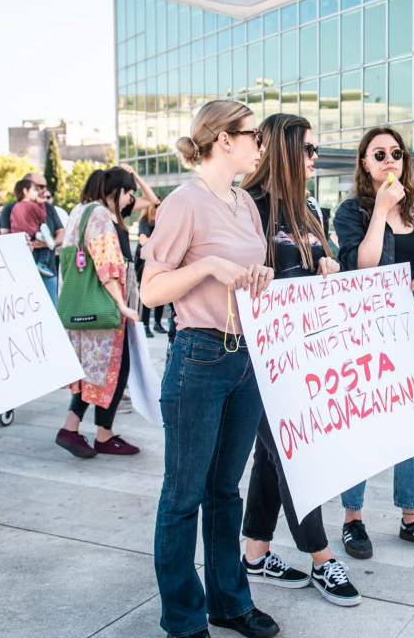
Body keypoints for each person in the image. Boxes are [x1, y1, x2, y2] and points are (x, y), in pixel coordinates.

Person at [140, 100, 280, 638]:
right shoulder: (183, 202)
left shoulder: (244, 202)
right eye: (254, 137)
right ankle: (182, 618)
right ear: (224, 140)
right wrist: (207, 267)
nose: (260, 146)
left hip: (247, 356)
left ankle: (229, 602)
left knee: (226, 489)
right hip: (199, 355)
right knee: (184, 494)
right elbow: (151, 289)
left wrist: (256, 272)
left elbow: (239, 268)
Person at [237, 113, 360, 607]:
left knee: (273, 453)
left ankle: (254, 552)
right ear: (286, 152)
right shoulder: (248, 206)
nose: (315, 158)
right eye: (309, 149)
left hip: (304, 354)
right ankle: (322, 558)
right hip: (257, 358)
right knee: (294, 454)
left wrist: (327, 263)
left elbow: (313, 266)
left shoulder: (308, 208)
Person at [333, 126, 414, 562]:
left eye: (396, 153)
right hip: (369, 331)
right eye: (378, 153)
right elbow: (357, 266)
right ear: (364, 162)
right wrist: (382, 209)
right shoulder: (352, 211)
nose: (389, 160)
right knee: (363, 424)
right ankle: (352, 519)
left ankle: (411, 517)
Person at [54, 166, 153, 459]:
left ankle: (75, 429)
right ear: (117, 191)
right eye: (128, 194)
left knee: (92, 372)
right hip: (102, 307)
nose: (128, 201)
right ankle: (101, 434)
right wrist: (122, 305)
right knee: (115, 369)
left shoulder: (78, 210)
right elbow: (106, 265)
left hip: (80, 306)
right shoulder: (98, 215)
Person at [1, 171, 65, 305]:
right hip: (21, 272)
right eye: (39, 187)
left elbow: (61, 234)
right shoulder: (9, 208)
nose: (43, 190)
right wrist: (26, 243)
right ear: (26, 188)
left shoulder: (47, 207)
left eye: (44, 187)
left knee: (51, 311)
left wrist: (47, 243)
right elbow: (4, 238)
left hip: (48, 270)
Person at [10, 178, 57, 277]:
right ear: (25, 191)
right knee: (46, 244)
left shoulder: (15, 206)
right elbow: (42, 215)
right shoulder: (32, 205)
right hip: (32, 234)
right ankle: (42, 263)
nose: (37, 193)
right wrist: (41, 204)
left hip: (19, 236)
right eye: (34, 190)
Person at [136, 204, 167, 338]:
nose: (158, 208)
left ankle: (158, 323)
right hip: (145, 261)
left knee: (161, 293)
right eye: (155, 205)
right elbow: (143, 241)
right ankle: (145, 325)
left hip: (160, 259)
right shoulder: (145, 222)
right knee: (147, 294)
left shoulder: (163, 220)